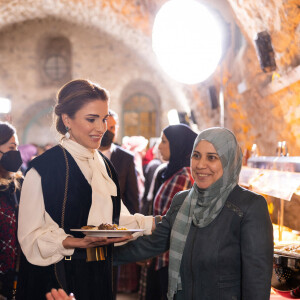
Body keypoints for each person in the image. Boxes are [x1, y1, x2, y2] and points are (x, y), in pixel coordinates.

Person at [16, 79, 154, 300]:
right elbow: (30, 238)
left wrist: (155, 223)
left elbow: (115, 220)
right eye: (92, 119)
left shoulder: (104, 165)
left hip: (98, 274)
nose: (101, 128)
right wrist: (73, 241)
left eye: (104, 119)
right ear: (67, 119)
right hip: (57, 281)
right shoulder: (42, 170)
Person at [115, 127, 274, 300]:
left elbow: (257, 280)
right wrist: (93, 253)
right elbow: (150, 245)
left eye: (211, 157)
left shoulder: (249, 206)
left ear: (229, 161)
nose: (200, 165)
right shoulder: (182, 201)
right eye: (196, 155)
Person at [139, 124, 197, 300]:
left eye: (164, 141)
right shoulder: (172, 172)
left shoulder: (183, 175)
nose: (159, 146)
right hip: (161, 258)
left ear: (178, 144)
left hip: (169, 261)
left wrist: (144, 248)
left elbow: (169, 221)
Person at [99, 110, 140, 297]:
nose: (111, 131)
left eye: (114, 127)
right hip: (84, 230)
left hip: (113, 231)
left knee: (109, 283)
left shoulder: (125, 158)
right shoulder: (82, 155)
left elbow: (132, 199)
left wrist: (131, 230)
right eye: (109, 126)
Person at [99, 110, 139, 214]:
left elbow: (132, 197)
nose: (107, 132)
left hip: (117, 220)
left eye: (112, 128)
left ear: (117, 129)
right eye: (105, 127)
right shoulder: (86, 153)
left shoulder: (127, 158)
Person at [0, 122, 23, 300]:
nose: (16, 153)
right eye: (11, 147)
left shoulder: (13, 186)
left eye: (17, 147)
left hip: (8, 271)